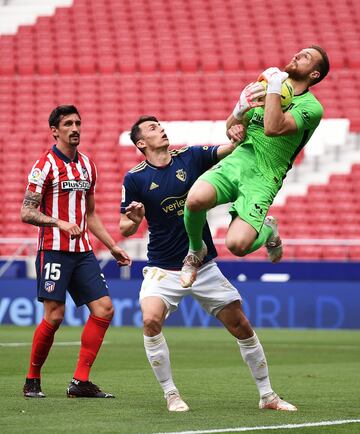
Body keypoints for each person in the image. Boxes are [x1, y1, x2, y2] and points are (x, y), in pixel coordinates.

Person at [119, 115, 296, 412]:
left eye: (160, 125)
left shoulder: (189, 157)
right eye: (152, 128)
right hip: (164, 267)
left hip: (203, 265)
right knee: (150, 320)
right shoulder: (134, 178)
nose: (160, 129)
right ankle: (171, 394)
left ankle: (268, 396)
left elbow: (228, 149)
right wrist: (133, 220)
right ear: (141, 143)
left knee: (241, 326)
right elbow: (124, 227)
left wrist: (237, 132)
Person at [180, 45, 330, 288]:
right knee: (195, 199)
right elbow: (232, 126)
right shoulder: (264, 86)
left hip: (265, 175)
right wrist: (237, 116)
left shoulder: (311, 107)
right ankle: (196, 249)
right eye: (298, 52)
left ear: (314, 74)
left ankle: (268, 230)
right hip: (239, 159)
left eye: (306, 57)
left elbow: (273, 127)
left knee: (237, 246)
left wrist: (272, 88)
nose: (296, 55)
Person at [21, 105, 131, 399]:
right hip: (53, 250)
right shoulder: (44, 165)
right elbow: (26, 211)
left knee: (105, 309)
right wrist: (58, 221)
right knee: (55, 316)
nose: (75, 128)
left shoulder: (87, 166)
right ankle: (32, 379)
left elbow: (90, 214)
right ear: (55, 130)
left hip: (82, 252)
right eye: (68, 123)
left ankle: (80, 382)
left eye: (78, 123)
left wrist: (112, 245)